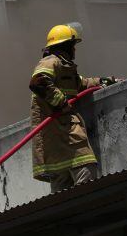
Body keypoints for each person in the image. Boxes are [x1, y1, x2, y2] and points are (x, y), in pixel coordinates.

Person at [29, 23, 117, 192]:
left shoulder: (63, 67)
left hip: (57, 137)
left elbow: (80, 84)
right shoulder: (50, 62)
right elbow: (38, 82)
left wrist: (104, 81)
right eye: (73, 46)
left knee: (61, 187)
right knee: (86, 168)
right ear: (65, 46)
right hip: (65, 133)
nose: (75, 51)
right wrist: (61, 103)